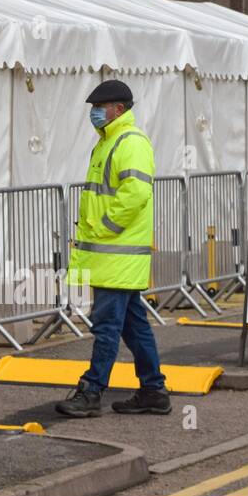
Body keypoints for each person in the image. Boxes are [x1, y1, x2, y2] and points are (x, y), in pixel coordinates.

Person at [56, 79, 170, 418]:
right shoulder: (108, 142)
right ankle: (153, 391)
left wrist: (105, 226)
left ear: (118, 109)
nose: (93, 113)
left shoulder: (129, 142)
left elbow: (136, 193)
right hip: (111, 256)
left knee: (105, 326)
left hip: (117, 255)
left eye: (99, 107)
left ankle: (91, 392)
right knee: (134, 326)